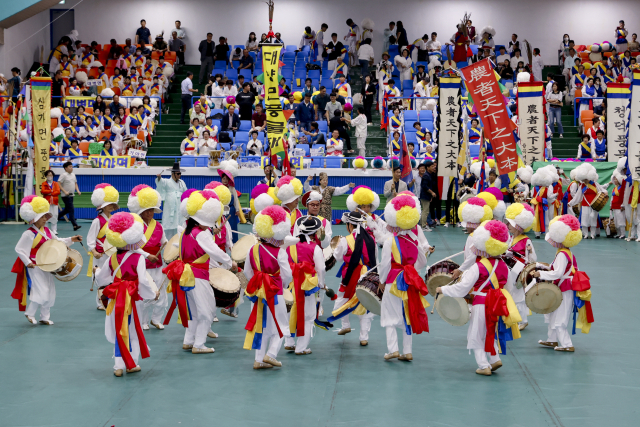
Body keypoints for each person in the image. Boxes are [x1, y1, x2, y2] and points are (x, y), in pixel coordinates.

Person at [436, 220, 514, 375]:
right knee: (490, 330)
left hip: (481, 304)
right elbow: (509, 288)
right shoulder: (504, 265)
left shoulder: (478, 267)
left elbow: (462, 287)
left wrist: (443, 289)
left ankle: (483, 365)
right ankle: (494, 358)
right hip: (496, 304)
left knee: (476, 334)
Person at [165, 189, 234, 354]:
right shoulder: (202, 234)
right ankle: (199, 344)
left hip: (186, 277)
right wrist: (230, 261)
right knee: (207, 311)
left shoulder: (185, 233)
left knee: (194, 311)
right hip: (199, 277)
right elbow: (215, 251)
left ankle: (188, 341)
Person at [92, 211, 158, 376]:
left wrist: (97, 270)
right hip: (132, 298)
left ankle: (118, 366)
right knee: (133, 330)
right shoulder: (139, 258)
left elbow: (101, 278)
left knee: (118, 328)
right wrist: (152, 293)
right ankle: (132, 363)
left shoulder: (112, 257)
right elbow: (143, 280)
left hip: (116, 298)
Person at [379, 193, 432, 361]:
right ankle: (407, 351)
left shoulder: (390, 241)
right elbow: (422, 260)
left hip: (393, 280)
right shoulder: (415, 240)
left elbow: (385, 264)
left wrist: (381, 281)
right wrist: (411, 268)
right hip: (410, 280)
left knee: (389, 314)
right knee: (407, 314)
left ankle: (393, 349)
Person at [12, 196, 81, 324]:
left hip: (49, 265)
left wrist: (71, 239)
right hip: (36, 265)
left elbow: (57, 242)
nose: (45, 219)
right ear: (35, 218)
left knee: (49, 290)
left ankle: (45, 317)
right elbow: (20, 249)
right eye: (43, 217)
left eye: (46, 216)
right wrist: (28, 262)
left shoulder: (48, 231)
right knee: (41, 290)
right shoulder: (28, 234)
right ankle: (30, 313)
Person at [242, 205, 292, 369]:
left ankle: (258, 360)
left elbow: (247, 271)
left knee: (260, 325)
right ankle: (270, 354)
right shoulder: (280, 252)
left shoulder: (252, 249)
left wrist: (258, 282)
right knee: (282, 326)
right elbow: (287, 274)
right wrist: (280, 284)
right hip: (274, 292)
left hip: (258, 292)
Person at [532, 214, 591, 352]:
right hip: (564, 286)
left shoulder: (562, 254)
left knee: (560, 317)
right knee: (554, 314)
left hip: (565, 288)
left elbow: (557, 273)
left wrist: (540, 273)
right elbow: (558, 269)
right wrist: (543, 267)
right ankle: (552, 340)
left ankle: (567, 344)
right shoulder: (565, 252)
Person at [328, 211, 376, 345]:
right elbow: (375, 257)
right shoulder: (371, 239)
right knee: (365, 302)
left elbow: (337, 257)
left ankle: (345, 325)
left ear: (350, 225)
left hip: (350, 274)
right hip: (368, 275)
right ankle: (364, 337)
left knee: (342, 298)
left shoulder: (345, 240)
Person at [126, 185, 167, 330]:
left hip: (158, 264)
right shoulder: (136, 226)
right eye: (147, 210)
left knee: (161, 294)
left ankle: (156, 319)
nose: (150, 213)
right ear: (141, 211)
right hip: (142, 264)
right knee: (145, 294)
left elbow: (164, 243)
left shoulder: (159, 226)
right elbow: (132, 246)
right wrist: (147, 255)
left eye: (152, 210)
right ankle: (142, 321)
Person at [503, 203, 537, 330]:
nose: (508, 226)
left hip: (519, 272)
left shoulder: (526, 240)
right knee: (512, 294)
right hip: (510, 270)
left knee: (519, 296)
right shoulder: (510, 238)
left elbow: (533, 258)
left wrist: (524, 270)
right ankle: (515, 317)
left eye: (510, 224)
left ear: (518, 226)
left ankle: (523, 320)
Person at [568, 163, 605, 239]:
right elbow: (578, 197)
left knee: (593, 219)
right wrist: (571, 203)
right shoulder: (582, 185)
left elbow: (602, 191)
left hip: (594, 205)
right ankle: (585, 234)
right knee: (584, 219)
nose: (584, 180)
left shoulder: (595, 184)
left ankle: (592, 234)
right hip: (585, 204)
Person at [156, 163, 187, 240]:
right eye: (178, 174)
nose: (179, 175)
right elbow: (161, 182)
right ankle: (167, 245)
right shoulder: (167, 182)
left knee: (179, 226)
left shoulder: (182, 182)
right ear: (173, 174)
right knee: (169, 227)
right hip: (170, 207)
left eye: (180, 173)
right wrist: (159, 178)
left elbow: (185, 192)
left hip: (179, 207)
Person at [57, 162, 81, 231]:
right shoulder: (63, 175)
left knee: (67, 210)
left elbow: (75, 183)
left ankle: (56, 218)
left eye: (72, 166)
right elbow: (58, 183)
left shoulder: (73, 175)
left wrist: (78, 190)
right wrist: (64, 191)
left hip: (71, 195)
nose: (71, 168)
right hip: (65, 195)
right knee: (71, 209)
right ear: (66, 168)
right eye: (70, 166)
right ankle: (75, 225)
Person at [419, 161, 437, 229]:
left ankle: (422, 224)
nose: (433, 167)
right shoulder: (426, 175)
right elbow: (425, 186)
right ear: (428, 167)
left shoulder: (429, 174)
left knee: (425, 211)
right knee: (425, 211)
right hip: (424, 196)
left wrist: (431, 196)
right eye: (432, 166)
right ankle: (423, 226)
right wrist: (432, 192)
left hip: (427, 196)